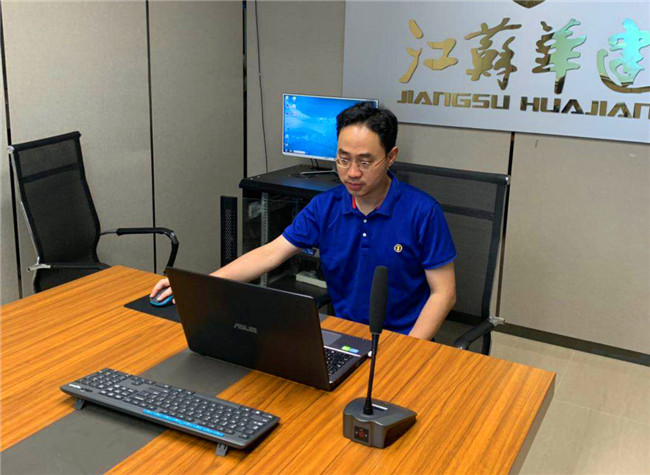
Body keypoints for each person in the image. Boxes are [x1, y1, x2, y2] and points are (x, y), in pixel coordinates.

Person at [151, 102, 457, 340]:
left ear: (390, 157)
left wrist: (409, 348)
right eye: (343, 159)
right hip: (345, 336)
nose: (352, 173)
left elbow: (443, 293)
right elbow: (270, 254)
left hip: (404, 340)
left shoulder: (422, 212)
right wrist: (199, 287)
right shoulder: (326, 206)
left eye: (365, 162)